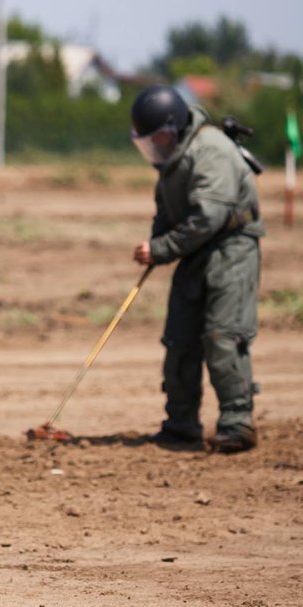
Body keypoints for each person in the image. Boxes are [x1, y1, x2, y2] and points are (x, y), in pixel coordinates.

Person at [129, 85, 263, 452]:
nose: (155, 148)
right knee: (180, 340)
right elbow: (167, 213)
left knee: (223, 335)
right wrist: (156, 244)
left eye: (158, 139)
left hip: (231, 250)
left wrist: (161, 248)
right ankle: (181, 423)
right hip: (195, 252)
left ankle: (237, 423)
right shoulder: (173, 161)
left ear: (175, 127)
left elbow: (208, 217)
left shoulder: (210, 150)